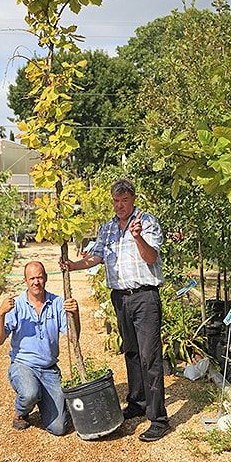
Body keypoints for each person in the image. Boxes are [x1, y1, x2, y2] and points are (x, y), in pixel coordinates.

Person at [61, 178, 170, 442]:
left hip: (144, 297)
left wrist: (137, 237)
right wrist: (73, 265)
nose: (120, 205)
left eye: (124, 200)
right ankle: (137, 401)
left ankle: (158, 418)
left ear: (133, 199)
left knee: (149, 357)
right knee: (131, 352)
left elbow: (152, 257)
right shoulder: (107, 228)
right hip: (120, 298)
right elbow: (96, 256)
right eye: (116, 201)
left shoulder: (146, 222)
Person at [0, 260, 80, 435]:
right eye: (32, 278)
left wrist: (75, 314)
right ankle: (22, 411)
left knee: (59, 428)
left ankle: (43, 398)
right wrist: (0, 314)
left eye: (39, 277)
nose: (36, 282)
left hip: (49, 370)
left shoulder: (57, 303)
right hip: (23, 365)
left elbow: (73, 338)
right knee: (30, 392)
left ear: (46, 278)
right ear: (25, 281)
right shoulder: (16, 305)